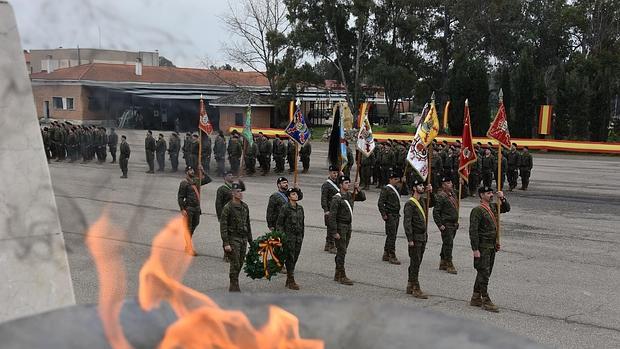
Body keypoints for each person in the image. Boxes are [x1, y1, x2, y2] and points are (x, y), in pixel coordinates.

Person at [469, 186, 510, 312]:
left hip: (492, 245)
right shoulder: (477, 210)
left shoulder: (493, 207)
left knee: (484, 272)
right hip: (483, 246)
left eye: (492, 193)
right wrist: (475, 249)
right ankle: (485, 299)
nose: (491, 195)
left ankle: (476, 297)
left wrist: (502, 197)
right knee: (484, 273)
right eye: (488, 193)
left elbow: (506, 208)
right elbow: (473, 231)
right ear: (481, 195)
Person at [329, 175, 366, 285]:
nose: (348, 184)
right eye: (346, 183)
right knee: (342, 251)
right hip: (340, 227)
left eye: (348, 182)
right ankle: (342, 275)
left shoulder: (350, 195)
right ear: (340, 185)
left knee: (342, 250)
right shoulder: (336, 198)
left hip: (348, 226)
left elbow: (363, 197)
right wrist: (334, 232)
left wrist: (357, 188)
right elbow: (332, 217)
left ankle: (337, 273)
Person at [403, 179, 434, 298]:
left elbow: (433, 202)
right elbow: (407, 223)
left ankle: (410, 284)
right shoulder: (410, 204)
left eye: (423, 186)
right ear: (414, 188)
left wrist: (431, 192)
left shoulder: (422, 201)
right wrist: (410, 239)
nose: (422, 187)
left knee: (417, 262)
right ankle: (416, 287)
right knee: (415, 262)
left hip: (423, 236)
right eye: (420, 186)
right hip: (415, 237)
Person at [220, 181, 252, 292]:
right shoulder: (228, 208)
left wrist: (251, 241)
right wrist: (226, 243)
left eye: (241, 191)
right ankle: (233, 284)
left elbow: (247, 224)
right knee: (235, 262)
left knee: (241, 261)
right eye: (238, 192)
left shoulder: (245, 207)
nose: (240, 193)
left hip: (243, 238)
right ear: (233, 193)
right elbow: (223, 226)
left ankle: (235, 280)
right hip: (233, 238)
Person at [177, 165, 212, 256]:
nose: (192, 171)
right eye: (190, 170)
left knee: (194, 225)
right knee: (188, 228)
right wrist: (182, 209)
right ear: (186, 172)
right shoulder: (184, 183)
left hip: (196, 208)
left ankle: (187, 242)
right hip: (189, 208)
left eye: (192, 170)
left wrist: (202, 171)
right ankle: (189, 247)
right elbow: (180, 197)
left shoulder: (197, 181)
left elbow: (208, 180)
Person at [276, 187, 305, 290]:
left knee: (295, 258)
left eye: (296, 194)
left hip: (298, 238)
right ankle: (291, 280)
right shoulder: (285, 208)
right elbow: (279, 224)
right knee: (290, 259)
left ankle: (289, 279)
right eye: (293, 194)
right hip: (289, 237)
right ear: (288, 196)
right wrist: (282, 237)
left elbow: (302, 224)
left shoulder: (300, 208)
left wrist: (302, 236)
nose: (296, 195)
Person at [433, 177, 460, 274]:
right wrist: (439, 224)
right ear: (443, 185)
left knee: (447, 243)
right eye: (448, 183)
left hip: (454, 223)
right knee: (449, 244)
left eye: (451, 182)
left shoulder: (452, 193)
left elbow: (464, 193)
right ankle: (449, 264)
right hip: (446, 224)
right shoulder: (441, 196)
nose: (451, 184)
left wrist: (463, 184)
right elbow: (436, 212)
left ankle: (443, 262)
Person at [377, 169, 402, 265]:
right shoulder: (386, 189)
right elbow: (380, 203)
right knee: (392, 235)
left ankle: (386, 253)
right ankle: (392, 254)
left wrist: (404, 182)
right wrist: (383, 214)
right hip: (390, 215)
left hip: (396, 214)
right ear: (390, 179)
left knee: (392, 234)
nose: (397, 181)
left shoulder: (397, 188)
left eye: (398, 179)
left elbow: (404, 191)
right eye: (395, 179)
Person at [215, 171, 235, 262]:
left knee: (234, 234)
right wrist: (220, 216)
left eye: (232, 175)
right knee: (226, 234)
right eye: (229, 175)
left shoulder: (234, 188)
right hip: (225, 215)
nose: (232, 176)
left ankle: (233, 252)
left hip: (234, 215)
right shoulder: (222, 189)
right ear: (224, 178)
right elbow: (218, 204)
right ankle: (226, 254)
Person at [321, 165, 340, 254]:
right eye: (334, 173)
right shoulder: (326, 184)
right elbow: (323, 198)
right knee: (332, 227)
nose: (335, 174)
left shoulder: (338, 182)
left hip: (337, 209)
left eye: (337, 173)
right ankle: (331, 245)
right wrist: (326, 210)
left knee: (331, 227)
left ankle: (327, 244)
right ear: (330, 173)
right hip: (330, 208)